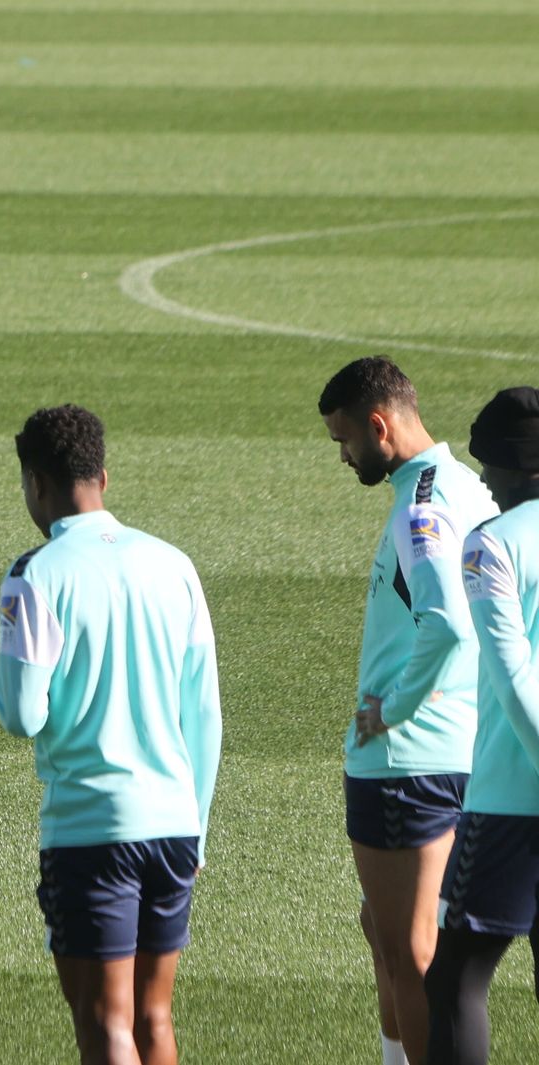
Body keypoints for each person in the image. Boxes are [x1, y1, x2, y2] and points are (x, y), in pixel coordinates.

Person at [0, 405, 221, 1065]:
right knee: (154, 1017)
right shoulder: (173, 563)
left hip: (92, 828)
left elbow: (22, 715)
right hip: (175, 823)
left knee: (105, 1025)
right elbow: (204, 712)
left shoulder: (36, 573)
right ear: (103, 475)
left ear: (36, 482)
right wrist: (197, 825)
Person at [318, 356, 495, 1065]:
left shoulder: (421, 505)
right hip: (464, 749)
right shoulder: (470, 487)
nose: (343, 456)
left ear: (379, 425)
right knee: (384, 929)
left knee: (410, 950)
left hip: (406, 761)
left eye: (344, 439)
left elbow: (447, 624)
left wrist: (392, 709)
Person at [424, 388, 539, 1064]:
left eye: (490, 464)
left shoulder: (492, 543)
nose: (486, 482)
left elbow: (514, 675)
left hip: (510, 803)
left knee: (454, 980)